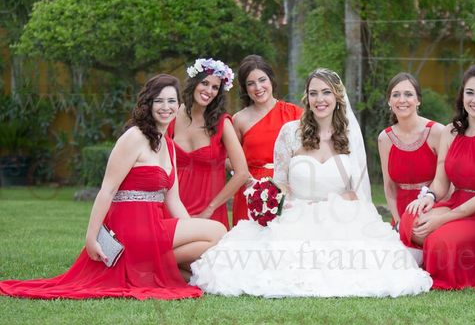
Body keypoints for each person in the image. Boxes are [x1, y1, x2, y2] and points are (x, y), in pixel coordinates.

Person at [190, 68, 432, 297]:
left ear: (337, 96)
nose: (320, 99)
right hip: (297, 213)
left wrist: (346, 203)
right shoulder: (290, 132)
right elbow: (280, 183)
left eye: (326, 92)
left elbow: (357, 188)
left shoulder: (349, 136)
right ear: (307, 97)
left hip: (341, 216)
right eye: (314, 93)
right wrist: (276, 200)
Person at [0, 74, 227, 300]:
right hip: (130, 227)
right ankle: (149, 265)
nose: (165, 107)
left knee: (207, 239)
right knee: (217, 230)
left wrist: (190, 230)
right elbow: (107, 190)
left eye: (171, 101)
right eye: (159, 101)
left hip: (153, 224)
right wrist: (91, 238)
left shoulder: (168, 144)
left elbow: (173, 200)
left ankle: (147, 267)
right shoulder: (134, 137)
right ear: (148, 104)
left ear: (179, 106)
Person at [401, 64, 475, 289]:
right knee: (410, 219)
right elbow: (441, 181)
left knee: (439, 240)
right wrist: (429, 197)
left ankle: (455, 254)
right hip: (457, 201)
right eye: (470, 92)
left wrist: (441, 220)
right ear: (462, 95)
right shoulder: (451, 131)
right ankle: (434, 249)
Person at [167, 58, 249, 230]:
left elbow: (242, 173)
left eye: (215, 87)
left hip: (208, 212)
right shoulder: (172, 114)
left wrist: (211, 208)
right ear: (194, 82)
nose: (209, 91)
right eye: (204, 83)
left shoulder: (222, 123)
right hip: (171, 207)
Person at [231, 55, 302, 225]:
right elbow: (227, 158)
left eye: (262, 80)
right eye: (251, 83)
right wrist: (246, 177)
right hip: (251, 191)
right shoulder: (239, 120)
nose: (258, 87)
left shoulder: (295, 114)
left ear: (271, 80)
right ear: (245, 88)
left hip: (288, 188)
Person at [378, 73, 444, 233]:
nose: (402, 100)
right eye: (396, 95)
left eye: (408, 94)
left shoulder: (437, 132)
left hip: (434, 210)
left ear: (418, 100)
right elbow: (389, 186)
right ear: (389, 101)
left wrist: (437, 216)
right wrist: (398, 222)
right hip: (401, 214)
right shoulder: (385, 138)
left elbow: (448, 182)